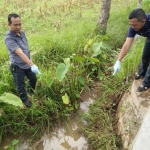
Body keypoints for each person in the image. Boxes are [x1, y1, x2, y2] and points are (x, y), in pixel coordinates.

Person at [4, 13, 41, 107]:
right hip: (17, 66)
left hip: (27, 63)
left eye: (20, 24)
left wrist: (30, 62)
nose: (18, 26)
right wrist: (32, 64)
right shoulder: (8, 38)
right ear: (9, 24)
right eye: (15, 25)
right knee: (20, 86)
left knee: (33, 79)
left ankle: (30, 92)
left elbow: (26, 48)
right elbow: (20, 52)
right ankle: (25, 102)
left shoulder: (22, 33)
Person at [113, 8, 150, 92]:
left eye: (135, 25)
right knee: (145, 56)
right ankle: (142, 73)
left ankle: (146, 83)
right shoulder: (132, 28)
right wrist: (118, 61)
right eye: (131, 24)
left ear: (143, 21)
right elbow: (127, 44)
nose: (132, 27)